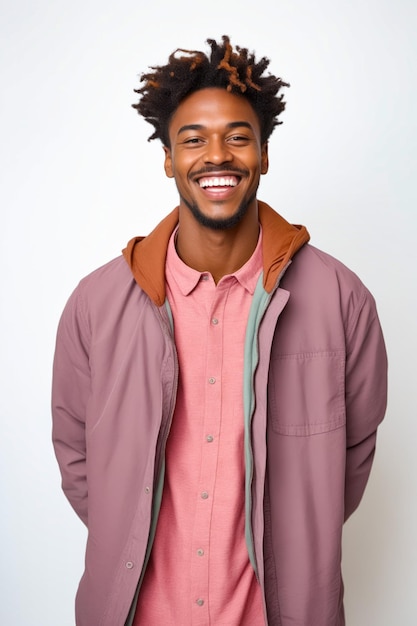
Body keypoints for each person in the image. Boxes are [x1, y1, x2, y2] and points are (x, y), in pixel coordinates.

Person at [52, 35, 388, 626]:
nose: (217, 155)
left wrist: (294, 542)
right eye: (193, 139)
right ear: (167, 159)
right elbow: (77, 455)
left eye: (238, 136)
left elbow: (353, 456)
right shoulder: (96, 304)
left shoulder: (341, 299)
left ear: (263, 153)